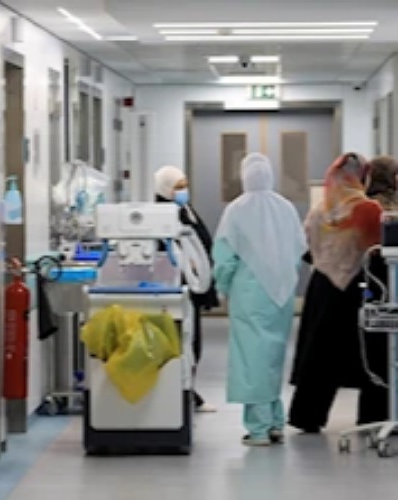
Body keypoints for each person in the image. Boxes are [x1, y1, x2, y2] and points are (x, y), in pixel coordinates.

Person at [212, 153, 306, 446]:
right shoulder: (286, 207)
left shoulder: (236, 210)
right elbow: (299, 249)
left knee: (252, 359)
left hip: (249, 294)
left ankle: (259, 428)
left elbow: (225, 257)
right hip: (282, 293)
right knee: (273, 357)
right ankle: (276, 421)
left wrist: (222, 287)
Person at [289, 153, 382, 434]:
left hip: (322, 289)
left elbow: (304, 247)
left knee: (319, 354)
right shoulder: (369, 209)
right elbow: (377, 250)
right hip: (358, 288)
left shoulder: (320, 210)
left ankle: (307, 416)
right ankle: (372, 416)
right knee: (369, 354)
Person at [154, 165, 219, 413]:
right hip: (177, 285)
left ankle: (188, 392)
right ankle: (181, 394)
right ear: (165, 188)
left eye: (185, 185)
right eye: (178, 187)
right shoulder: (162, 214)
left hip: (192, 285)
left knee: (193, 342)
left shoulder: (184, 210)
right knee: (182, 342)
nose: (184, 191)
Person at [357, 156, 398, 425]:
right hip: (388, 282)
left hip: (373, 285)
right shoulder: (378, 208)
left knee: (376, 351)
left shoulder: (362, 206)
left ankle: (374, 415)